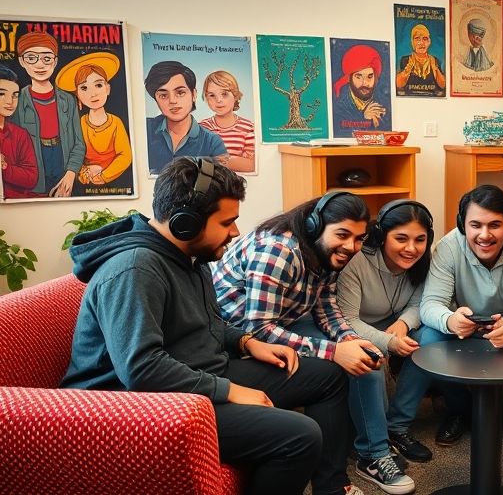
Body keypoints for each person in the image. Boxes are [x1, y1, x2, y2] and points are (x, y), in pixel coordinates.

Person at [60, 157, 358, 495]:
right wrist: (230, 391)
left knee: (328, 378)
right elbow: (141, 369)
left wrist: (246, 342)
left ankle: (331, 488)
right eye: (227, 222)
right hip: (137, 407)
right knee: (301, 436)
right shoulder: (135, 269)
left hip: (193, 377)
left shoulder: (191, 256)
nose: (235, 232)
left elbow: (207, 323)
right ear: (185, 223)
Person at [212, 191, 414, 494]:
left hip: (282, 320)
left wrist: (350, 340)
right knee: (335, 368)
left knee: (363, 358)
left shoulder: (325, 252)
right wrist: (334, 351)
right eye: (343, 234)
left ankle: (372, 454)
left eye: (359, 239)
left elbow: (326, 306)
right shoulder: (277, 251)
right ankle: (344, 471)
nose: (351, 246)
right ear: (314, 225)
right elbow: (258, 328)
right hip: (239, 336)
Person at [419, 184, 503, 449]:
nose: (485, 235)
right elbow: (430, 305)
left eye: (495, 225)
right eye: (475, 225)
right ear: (462, 225)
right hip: (466, 328)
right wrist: (450, 320)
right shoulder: (447, 247)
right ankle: (459, 409)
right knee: (429, 337)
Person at [336, 199, 435, 467]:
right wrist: (388, 341)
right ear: (381, 236)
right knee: (370, 354)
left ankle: (397, 425)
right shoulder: (356, 261)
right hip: (356, 328)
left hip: (395, 325)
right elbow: (347, 319)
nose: (412, 248)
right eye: (401, 238)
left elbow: (420, 304)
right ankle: (374, 443)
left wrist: (403, 324)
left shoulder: (425, 260)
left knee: (430, 338)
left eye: (420, 239)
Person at [11, 31, 85, 197]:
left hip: (62, 157)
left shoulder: (68, 100)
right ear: (22, 61)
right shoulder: (17, 100)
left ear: (55, 61)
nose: (40, 65)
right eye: (31, 57)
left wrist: (71, 172)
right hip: (34, 164)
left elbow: (79, 143)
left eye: (46, 58)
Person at [55, 52, 132, 189]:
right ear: (77, 95)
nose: (93, 93)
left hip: (115, 184)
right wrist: (84, 172)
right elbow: (71, 154)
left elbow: (125, 156)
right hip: (83, 186)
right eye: (84, 88)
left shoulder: (116, 122)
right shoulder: (79, 124)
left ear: (107, 89)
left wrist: (104, 175)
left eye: (98, 85)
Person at [144, 61, 227, 175]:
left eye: (180, 92)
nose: (172, 100)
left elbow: (219, 183)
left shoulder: (212, 142)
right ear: (156, 100)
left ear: (194, 95)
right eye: (163, 95)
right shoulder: (144, 130)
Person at [200, 70, 255, 173]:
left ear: (235, 95)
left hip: (237, 184)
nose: (218, 100)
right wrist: (234, 160)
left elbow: (251, 165)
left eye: (224, 94)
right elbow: (199, 162)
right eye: (212, 95)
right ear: (206, 98)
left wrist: (214, 159)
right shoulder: (203, 127)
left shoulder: (248, 128)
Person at [0, 65, 39, 200]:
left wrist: (5, 167)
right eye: (1, 94)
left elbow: (31, 178)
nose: (10, 101)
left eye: (15, 95)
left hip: (17, 206)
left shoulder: (20, 134)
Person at [334, 44, 390, 132]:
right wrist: (364, 118)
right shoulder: (339, 107)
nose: (365, 83)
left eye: (370, 76)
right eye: (358, 77)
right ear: (349, 78)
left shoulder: (384, 103)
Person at [395, 24, 446, 97]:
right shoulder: (405, 60)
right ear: (412, 42)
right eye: (417, 39)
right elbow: (398, 84)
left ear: (429, 42)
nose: (421, 43)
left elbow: (443, 86)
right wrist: (408, 67)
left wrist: (435, 68)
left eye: (425, 39)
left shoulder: (435, 60)